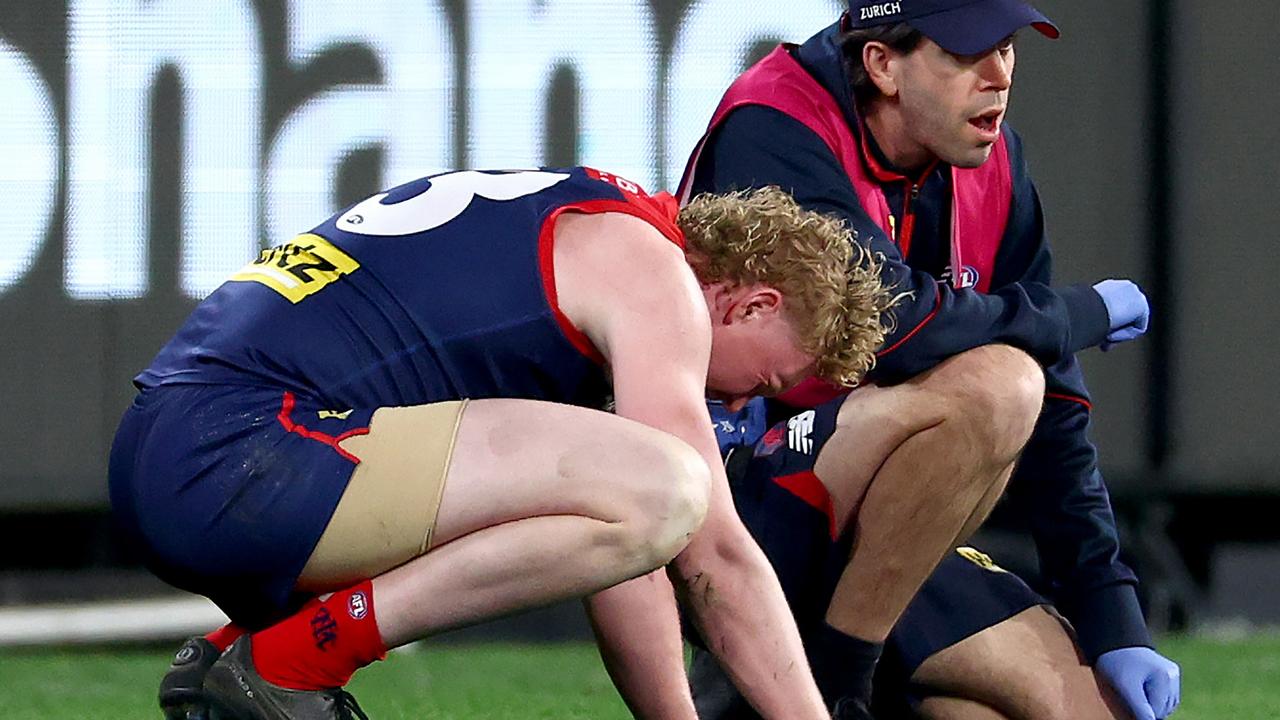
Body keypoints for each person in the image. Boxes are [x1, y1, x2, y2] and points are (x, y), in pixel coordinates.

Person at [109, 166, 897, 720]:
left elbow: (633, 559)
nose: (734, 405)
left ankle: (237, 650)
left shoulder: (587, 225)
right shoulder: (655, 279)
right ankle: (291, 662)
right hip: (243, 453)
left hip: (183, 446)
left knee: (650, 490)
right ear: (751, 303)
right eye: (760, 384)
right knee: (673, 485)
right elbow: (709, 550)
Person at [678, 2, 1181, 720]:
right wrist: (1078, 313)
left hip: (877, 545)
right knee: (999, 385)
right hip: (729, 500)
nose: (998, 75)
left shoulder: (994, 160)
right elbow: (890, 321)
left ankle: (809, 684)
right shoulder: (777, 120)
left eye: (1006, 47)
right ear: (882, 63)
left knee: (1085, 711)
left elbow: (1059, 408)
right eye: (965, 53)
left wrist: (1111, 613)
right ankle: (830, 688)